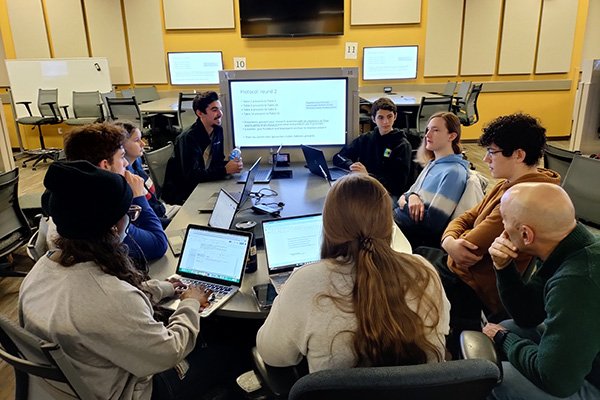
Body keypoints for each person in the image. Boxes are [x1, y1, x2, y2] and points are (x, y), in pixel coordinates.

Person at [20, 160, 243, 399]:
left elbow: (103, 305)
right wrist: (190, 303)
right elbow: (169, 352)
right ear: (114, 228)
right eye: (130, 213)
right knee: (233, 348)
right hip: (131, 391)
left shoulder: (42, 269)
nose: (131, 218)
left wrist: (162, 288)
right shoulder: (111, 298)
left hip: (72, 385)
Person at [256, 174, 450, 372]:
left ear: (328, 226)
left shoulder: (305, 282)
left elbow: (273, 356)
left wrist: (287, 300)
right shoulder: (424, 271)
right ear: (388, 223)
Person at [414, 113, 560, 355]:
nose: (485, 158)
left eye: (492, 152)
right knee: (420, 255)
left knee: (416, 264)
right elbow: (466, 217)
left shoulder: (522, 198)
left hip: (479, 285)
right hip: (469, 271)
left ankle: (453, 352)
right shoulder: (508, 183)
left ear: (519, 155)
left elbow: (469, 247)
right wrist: (450, 240)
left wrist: (452, 243)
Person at [483, 183, 600, 399]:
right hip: (586, 357)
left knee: (493, 375)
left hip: (587, 381)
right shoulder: (571, 245)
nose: (502, 228)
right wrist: (503, 267)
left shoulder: (577, 281)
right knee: (510, 327)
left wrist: (503, 339)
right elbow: (527, 316)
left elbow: (557, 380)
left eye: (504, 220)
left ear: (526, 234)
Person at [61, 122, 168, 264]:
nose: (125, 163)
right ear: (105, 165)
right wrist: (138, 197)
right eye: (122, 156)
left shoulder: (74, 193)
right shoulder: (103, 208)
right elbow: (158, 245)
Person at [393, 112, 469, 247]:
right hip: (398, 223)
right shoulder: (433, 163)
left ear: (452, 136)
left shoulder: (453, 172)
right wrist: (412, 196)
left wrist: (405, 203)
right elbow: (404, 196)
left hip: (409, 235)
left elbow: (432, 224)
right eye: (428, 129)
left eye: (436, 130)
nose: (427, 135)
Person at [161, 91, 243, 205]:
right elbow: (192, 176)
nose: (220, 114)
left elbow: (216, 163)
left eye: (220, 109)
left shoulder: (217, 130)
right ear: (200, 113)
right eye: (214, 110)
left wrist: (231, 165)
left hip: (204, 185)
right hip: (183, 195)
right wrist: (225, 170)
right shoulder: (188, 138)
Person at [332, 97, 412, 198]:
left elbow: (397, 185)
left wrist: (368, 176)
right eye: (380, 117)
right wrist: (352, 166)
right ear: (373, 119)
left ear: (395, 116)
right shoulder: (366, 138)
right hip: (365, 186)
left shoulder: (402, 145)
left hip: (387, 193)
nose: (386, 122)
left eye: (389, 116)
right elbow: (339, 156)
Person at [117, 121, 180, 228]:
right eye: (137, 140)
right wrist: (173, 223)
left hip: (162, 210)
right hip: (156, 221)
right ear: (122, 145)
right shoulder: (126, 178)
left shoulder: (137, 163)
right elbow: (143, 218)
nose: (143, 144)